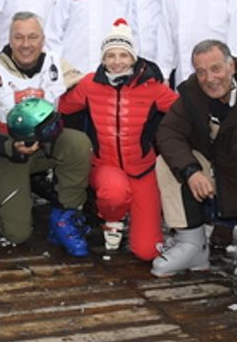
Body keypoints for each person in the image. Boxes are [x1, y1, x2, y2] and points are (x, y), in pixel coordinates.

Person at [151, 40, 237, 289]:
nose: (209, 78)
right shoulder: (193, 92)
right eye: (201, 71)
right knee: (167, 163)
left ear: (232, 66)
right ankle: (192, 244)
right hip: (218, 173)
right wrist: (191, 171)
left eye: (216, 69)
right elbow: (168, 132)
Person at [0, 12, 92, 255]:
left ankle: (63, 215)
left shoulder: (55, 64)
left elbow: (89, 83)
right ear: (10, 40)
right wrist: (10, 148)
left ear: (43, 39)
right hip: (5, 150)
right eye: (19, 37)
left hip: (45, 142)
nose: (26, 44)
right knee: (16, 234)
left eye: (33, 37)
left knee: (78, 144)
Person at [57, 20, 175, 260]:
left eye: (123, 55)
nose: (117, 62)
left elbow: (181, 109)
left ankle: (132, 216)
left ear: (133, 57)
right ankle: (112, 216)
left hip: (142, 168)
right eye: (110, 55)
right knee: (113, 193)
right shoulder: (90, 84)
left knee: (147, 251)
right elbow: (63, 106)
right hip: (105, 165)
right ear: (103, 58)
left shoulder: (151, 86)